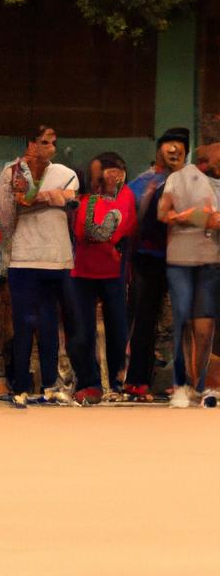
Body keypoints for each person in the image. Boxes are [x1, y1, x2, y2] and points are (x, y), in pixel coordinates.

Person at [0, 125, 80, 407]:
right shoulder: (12, 172)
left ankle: (50, 385)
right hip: (23, 256)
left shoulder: (67, 174)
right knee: (23, 324)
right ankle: (19, 386)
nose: (50, 148)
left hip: (56, 257)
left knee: (49, 323)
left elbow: (71, 203)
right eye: (44, 142)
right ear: (30, 144)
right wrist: (49, 198)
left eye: (53, 142)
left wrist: (35, 199)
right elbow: (4, 216)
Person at [125, 127, 189, 399]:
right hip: (147, 260)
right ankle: (137, 381)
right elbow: (131, 223)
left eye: (179, 148)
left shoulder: (193, 181)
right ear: (159, 151)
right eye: (169, 147)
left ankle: (184, 381)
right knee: (144, 320)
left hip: (183, 259)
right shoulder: (141, 183)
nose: (173, 153)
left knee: (185, 321)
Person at [157, 138, 220, 407]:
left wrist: (200, 218)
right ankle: (180, 384)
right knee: (182, 321)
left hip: (210, 261)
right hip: (180, 260)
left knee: (204, 329)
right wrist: (195, 216)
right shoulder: (179, 178)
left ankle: (200, 384)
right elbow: (163, 214)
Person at [70, 152, 137, 404]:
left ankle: (118, 381)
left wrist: (101, 233)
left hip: (112, 271)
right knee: (82, 331)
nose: (99, 178)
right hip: (81, 270)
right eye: (96, 174)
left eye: (104, 173)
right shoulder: (84, 199)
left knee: (118, 329)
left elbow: (114, 229)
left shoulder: (125, 196)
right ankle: (89, 382)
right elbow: (81, 231)